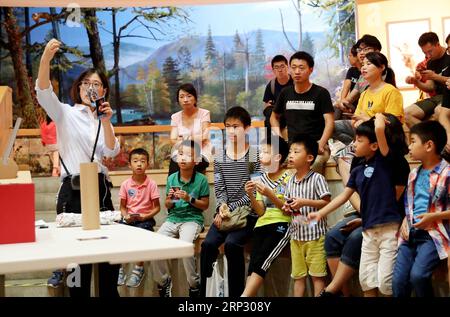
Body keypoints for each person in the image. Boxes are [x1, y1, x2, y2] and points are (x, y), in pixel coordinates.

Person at [36, 39, 121, 297]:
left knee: (108, 267)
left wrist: (106, 121)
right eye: (86, 83)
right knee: (78, 276)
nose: (90, 88)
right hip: (72, 193)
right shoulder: (64, 113)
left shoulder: (104, 120)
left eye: (96, 84)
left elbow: (111, 150)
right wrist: (45, 60)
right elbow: (43, 91)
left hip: (101, 191)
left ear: (104, 91)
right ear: (78, 88)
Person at [309, 114, 410, 297]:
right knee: (366, 280)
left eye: (359, 140)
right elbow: (343, 196)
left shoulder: (386, 162)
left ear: (374, 145)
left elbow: (379, 131)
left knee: (385, 282)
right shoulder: (357, 168)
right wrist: (320, 213)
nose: (354, 144)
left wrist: (378, 117)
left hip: (389, 230)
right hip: (369, 230)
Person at [200, 106, 261, 297]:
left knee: (233, 245)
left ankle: (236, 297)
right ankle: (205, 293)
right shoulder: (220, 155)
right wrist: (221, 209)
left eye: (236, 126)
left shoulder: (255, 155)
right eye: (228, 126)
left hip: (247, 214)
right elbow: (219, 188)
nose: (232, 131)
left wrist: (230, 208)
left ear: (248, 128)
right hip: (224, 214)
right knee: (208, 245)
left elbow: (254, 191)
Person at [393, 121, 450, 297]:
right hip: (410, 234)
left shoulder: (447, 173)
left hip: (433, 235)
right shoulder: (413, 174)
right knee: (398, 281)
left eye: (412, 141)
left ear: (429, 145)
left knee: (418, 276)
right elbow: (411, 205)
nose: (409, 146)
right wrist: (405, 220)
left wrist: (433, 217)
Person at [152, 140, 209, 298]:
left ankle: (194, 285)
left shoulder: (201, 180)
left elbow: (204, 205)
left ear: (196, 160)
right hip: (173, 218)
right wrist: (170, 201)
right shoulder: (171, 178)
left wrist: (189, 198)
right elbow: (168, 204)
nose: (183, 158)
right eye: (181, 154)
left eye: (188, 155)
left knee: (185, 247)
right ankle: (164, 282)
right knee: (154, 244)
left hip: (192, 219)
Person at [241, 134, 291, 297]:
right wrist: (250, 194)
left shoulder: (289, 177)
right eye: (261, 151)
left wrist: (270, 194)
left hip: (282, 225)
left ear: (278, 157)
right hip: (261, 225)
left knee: (262, 261)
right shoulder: (260, 178)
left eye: (265, 152)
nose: (261, 155)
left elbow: (287, 210)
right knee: (254, 261)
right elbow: (261, 211)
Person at [281, 134, 331, 297]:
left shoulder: (318, 179)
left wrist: (304, 202)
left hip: (315, 236)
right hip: (296, 237)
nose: (291, 155)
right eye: (290, 152)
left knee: (318, 277)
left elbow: (326, 203)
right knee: (298, 277)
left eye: (296, 152)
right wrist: (287, 208)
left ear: (309, 158)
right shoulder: (289, 181)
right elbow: (288, 207)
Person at [270, 51, 334, 174]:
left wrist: (321, 143)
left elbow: (330, 121)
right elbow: (274, 117)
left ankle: (311, 193)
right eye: (293, 68)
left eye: (301, 68)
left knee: (313, 164)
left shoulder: (321, 93)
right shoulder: (285, 93)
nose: (297, 72)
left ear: (310, 70)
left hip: (315, 146)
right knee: (273, 164)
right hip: (292, 148)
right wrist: (280, 139)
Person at [117, 148, 160, 288]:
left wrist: (145, 216)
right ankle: (120, 269)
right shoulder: (125, 184)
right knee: (118, 234)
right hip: (129, 219)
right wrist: (126, 216)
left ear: (148, 164)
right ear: (130, 164)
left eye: (142, 161)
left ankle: (138, 269)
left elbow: (157, 208)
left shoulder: (151, 184)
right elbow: (123, 207)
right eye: (135, 161)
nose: (139, 164)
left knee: (143, 234)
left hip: (145, 219)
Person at [404, 32, 450, 128]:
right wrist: (416, 82)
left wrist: (434, 76)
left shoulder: (448, 55)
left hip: (448, 96)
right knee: (406, 114)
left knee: (439, 112)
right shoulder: (430, 63)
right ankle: (429, 137)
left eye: (430, 51)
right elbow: (430, 87)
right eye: (425, 53)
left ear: (438, 44)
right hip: (437, 97)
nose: (428, 55)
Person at [169, 83, 211, 175]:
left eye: (189, 96)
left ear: (195, 98)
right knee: (175, 162)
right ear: (178, 100)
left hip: (201, 150)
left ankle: (195, 188)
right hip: (181, 151)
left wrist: (185, 139)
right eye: (181, 97)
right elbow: (172, 139)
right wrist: (194, 138)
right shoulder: (175, 117)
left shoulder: (204, 113)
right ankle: (174, 188)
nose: (185, 100)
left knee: (193, 162)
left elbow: (205, 136)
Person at [262, 55, 293, 139]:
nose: (280, 70)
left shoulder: (295, 82)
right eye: (276, 67)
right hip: (277, 115)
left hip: (293, 113)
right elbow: (266, 106)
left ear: (287, 67)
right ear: (273, 70)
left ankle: (276, 144)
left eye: (282, 66)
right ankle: (272, 146)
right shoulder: (271, 85)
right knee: (269, 115)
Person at [338, 44, 362, 116]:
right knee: (336, 108)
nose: (349, 58)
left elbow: (356, 94)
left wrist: (344, 103)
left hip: (359, 106)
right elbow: (346, 87)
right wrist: (342, 102)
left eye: (350, 55)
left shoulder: (365, 73)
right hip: (350, 104)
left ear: (357, 56)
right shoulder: (351, 70)